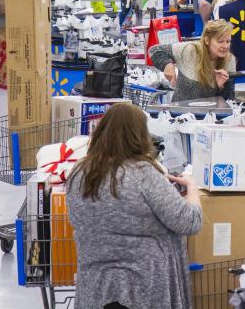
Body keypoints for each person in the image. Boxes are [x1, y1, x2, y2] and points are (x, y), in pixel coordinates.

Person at [66, 103, 202, 309]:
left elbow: (78, 218)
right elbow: (189, 221)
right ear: (139, 135)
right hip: (144, 287)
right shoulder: (143, 173)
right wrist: (192, 187)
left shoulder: (79, 172)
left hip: (94, 286)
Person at [150, 20, 236, 102]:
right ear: (207, 40)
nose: (225, 46)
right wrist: (167, 64)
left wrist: (219, 87)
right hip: (180, 113)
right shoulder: (190, 50)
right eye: (220, 41)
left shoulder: (229, 60)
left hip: (210, 115)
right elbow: (155, 50)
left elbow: (229, 101)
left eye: (228, 41)